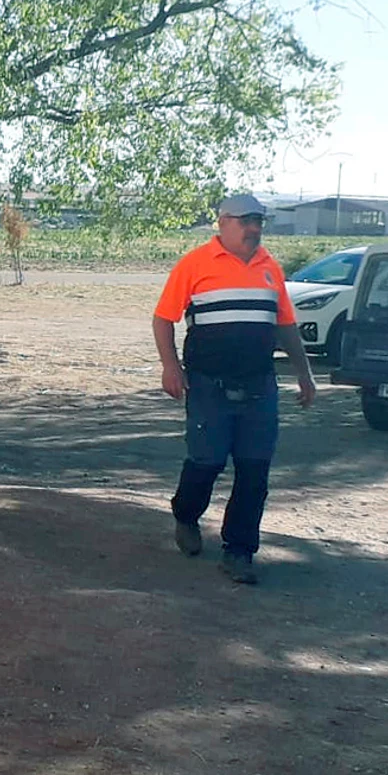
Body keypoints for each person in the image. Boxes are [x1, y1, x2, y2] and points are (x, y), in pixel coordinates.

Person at [153, 193, 317, 584]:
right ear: (223, 222)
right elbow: (163, 318)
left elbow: (285, 325)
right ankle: (186, 515)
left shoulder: (269, 268)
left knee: (254, 470)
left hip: (259, 385)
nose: (254, 228)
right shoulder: (195, 265)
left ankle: (239, 551)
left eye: (259, 220)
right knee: (206, 461)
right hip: (209, 385)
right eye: (245, 220)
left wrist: (304, 373)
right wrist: (170, 366)